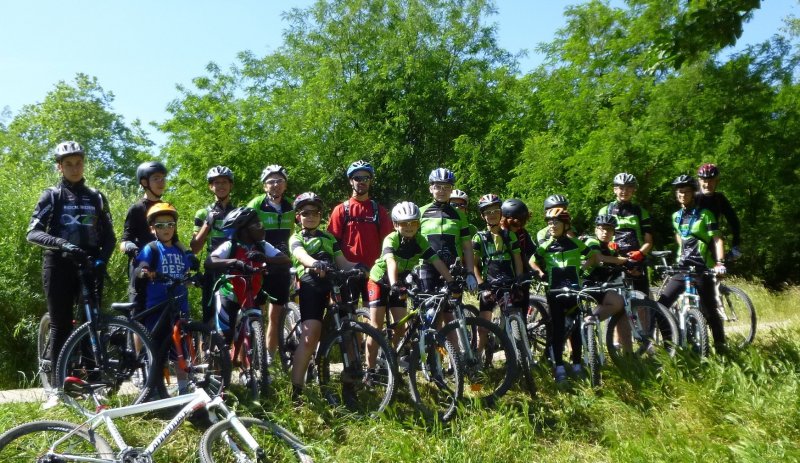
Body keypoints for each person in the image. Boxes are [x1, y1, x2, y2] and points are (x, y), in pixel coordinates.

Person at [27, 141, 116, 405]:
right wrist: (61, 243)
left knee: (93, 322)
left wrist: (101, 260)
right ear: (60, 167)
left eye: (78, 163)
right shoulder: (51, 196)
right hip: (58, 265)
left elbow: (109, 237)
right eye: (68, 164)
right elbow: (33, 232)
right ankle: (57, 388)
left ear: (83, 164)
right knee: (61, 325)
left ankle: (94, 381)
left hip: (89, 265)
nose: (74, 168)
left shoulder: (96, 196)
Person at [287, 192, 363, 402]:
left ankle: (350, 383)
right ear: (298, 216)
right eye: (305, 213)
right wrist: (313, 263)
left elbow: (342, 261)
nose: (311, 216)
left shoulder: (329, 238)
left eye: (316, 212)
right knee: (311, 336)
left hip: (331, 281)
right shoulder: (297, 237)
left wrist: (357, 267)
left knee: (347, 328)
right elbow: (300, 255)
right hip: (310, 283)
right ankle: (296, 392)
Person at [365, 201, 454, 370]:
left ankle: (389, 357)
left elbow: (436, 261)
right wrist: (394, 284)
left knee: (401, 326)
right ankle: (369, 370)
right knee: (375, 327)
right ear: (395, 224)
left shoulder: (420, 240)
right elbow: (391, 262)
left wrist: (450, 281)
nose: (409, 226)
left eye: (413, 222)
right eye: (404, 223)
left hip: (398, 284)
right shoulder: (391, 239)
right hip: (380, 281)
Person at [529, 207, 599, 383]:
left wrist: (581, 271)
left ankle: (577, 364)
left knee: (575, 328)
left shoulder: (575, 243)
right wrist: (540, 273)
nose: (552, 225)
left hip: (574, 291)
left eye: (556, 222)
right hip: (554, 291)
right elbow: (532, 260)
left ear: (566, 224)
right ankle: (559, 366)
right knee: (558, 329)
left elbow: (593, 256)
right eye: (550, 222)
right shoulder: (545, 245)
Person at [657, 175, 726, 350]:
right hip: (682, 268)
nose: (682, 195)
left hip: (702, 267)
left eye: (686, 191)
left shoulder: (705, 215)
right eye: (679, 192)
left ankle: (720, 345)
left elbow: (717, 239)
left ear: (693, 193)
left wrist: (719, 262)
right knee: (661, 306)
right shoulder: (676, 216)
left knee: (710, 309)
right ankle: (669, 346)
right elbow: (680, 237)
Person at [206, 207, 290, 346]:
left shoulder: (263, 245)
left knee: (253, 331)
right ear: (243, 230)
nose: (262, 228)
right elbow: (210, 261)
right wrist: (235, 262)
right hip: (229, 294)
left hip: (252, 293)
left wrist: (265, 258)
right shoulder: (230, 245)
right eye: (257, 225)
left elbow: (286, 260)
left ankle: (252, 363)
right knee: (225, 338)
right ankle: (218, 361)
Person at [247, 164, 295, 365]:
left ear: (285, 185)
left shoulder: (291, 206)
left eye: (279, 181)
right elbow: (244, 229)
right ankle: (251, 358)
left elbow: (296, 233)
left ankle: (268, 358)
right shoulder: (256, 204)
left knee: (275, 315)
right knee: (255, 313)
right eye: (271, 181)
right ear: (264, 186)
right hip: (258, 264)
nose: (275, 185)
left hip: (281, 265)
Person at [327, 160, 392, 306]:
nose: (361, 181)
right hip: (348, 272)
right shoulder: (341, 210)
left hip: (374, 273)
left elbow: (389, 241)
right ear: (351, 181)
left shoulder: (378, 210)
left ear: (370, 181)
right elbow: (332, 242)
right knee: (348, 320)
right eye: (357, 178)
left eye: (365, 178)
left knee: (375, 321)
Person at [472, 194, 523, 354]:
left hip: (509, 282)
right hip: (489, 284)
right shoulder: (478, 238)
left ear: (500, 212)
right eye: (488, 212)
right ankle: (478, 360)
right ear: (483, 216)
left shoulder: (510, 235)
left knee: (514, 320)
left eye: (495, 211)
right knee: (483, 327)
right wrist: (481, 284)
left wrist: (519, 279)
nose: (492, 214)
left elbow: (517, 260)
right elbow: (473, 264)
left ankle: (517, 356)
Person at [419, 168, 478, 293]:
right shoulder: (420, 212)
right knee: (429, 310)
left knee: (451, 311)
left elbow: (467, 247)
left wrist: (470, 273)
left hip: (453, 268)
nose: (442, 191)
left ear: (452, 189)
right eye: (438, 186)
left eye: (446, 187)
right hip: (427, 267)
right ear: (431, 189)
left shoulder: (459, 215)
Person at [190, 166, 236, 325]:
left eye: (224, 182)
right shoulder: (202, 213)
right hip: (212, 269)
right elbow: (195, 248)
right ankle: (207, 349)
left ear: (231, 185)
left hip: (234, 268)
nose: (221, 186)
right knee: (209, 319)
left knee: (233, 318)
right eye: (216, 183)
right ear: (211, 186)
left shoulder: (238, 212)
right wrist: (207, 223)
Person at [597, 173, 654, 295]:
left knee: (643, 299)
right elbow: (599, 236)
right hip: (614, 259)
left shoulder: (640, 212)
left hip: (636, 260)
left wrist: (640, 253)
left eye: (629, 187)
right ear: (615, 189)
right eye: (621, 188)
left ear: (634, 189)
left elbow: (649, 241)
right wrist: (609, 243)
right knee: (614, 299)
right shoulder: (605, 210)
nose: (625, 191)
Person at [695, 163, 742, 260]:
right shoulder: (693, 198)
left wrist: (735, 245)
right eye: (704, 180)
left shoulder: (719, 199)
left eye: (711, 180)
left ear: (717, 181)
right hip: (693, 245)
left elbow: (734, 222)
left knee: (718, 272)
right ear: (699, 181)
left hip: (714, 244)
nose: (707, 184)